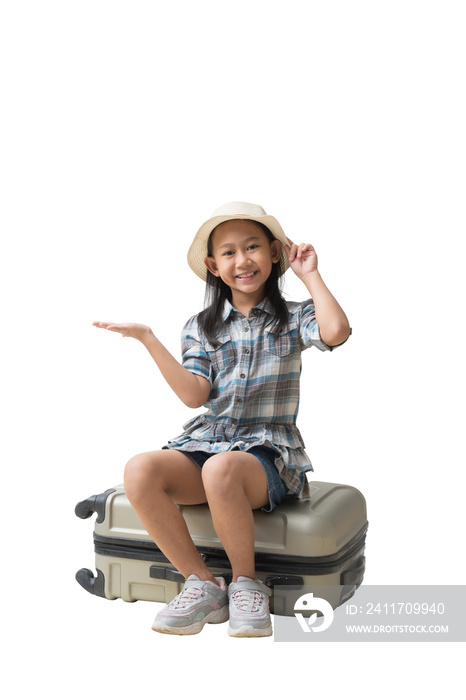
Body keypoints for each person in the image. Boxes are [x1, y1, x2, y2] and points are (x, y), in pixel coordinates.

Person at [93, 201, 351, 637]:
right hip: (207, 445)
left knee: (222, 467)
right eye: (228, 252)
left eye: (252, 247)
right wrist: (147, 338)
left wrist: (310, 274)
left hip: (265, 455)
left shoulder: (293, 317)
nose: (242, 260)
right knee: (140, 469)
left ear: (274, 253)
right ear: (214, 265)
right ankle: (203, 585)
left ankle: (246, 585)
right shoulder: (201, 326)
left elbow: (335, 331)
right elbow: (195, 395)